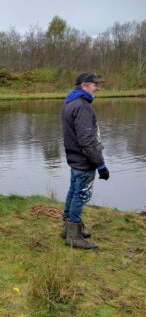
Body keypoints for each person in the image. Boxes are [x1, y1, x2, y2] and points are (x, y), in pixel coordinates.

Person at [61, 72, 110, 249]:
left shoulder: (70, 102)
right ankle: (73, 236)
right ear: (84, 85)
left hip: (74, 159)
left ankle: (68, 229)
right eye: (95, 84)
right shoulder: (82, 107)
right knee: (81, 195)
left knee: (74, 192)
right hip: (84, 161)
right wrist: (101, 164)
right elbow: (87, 141)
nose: (98, 87)